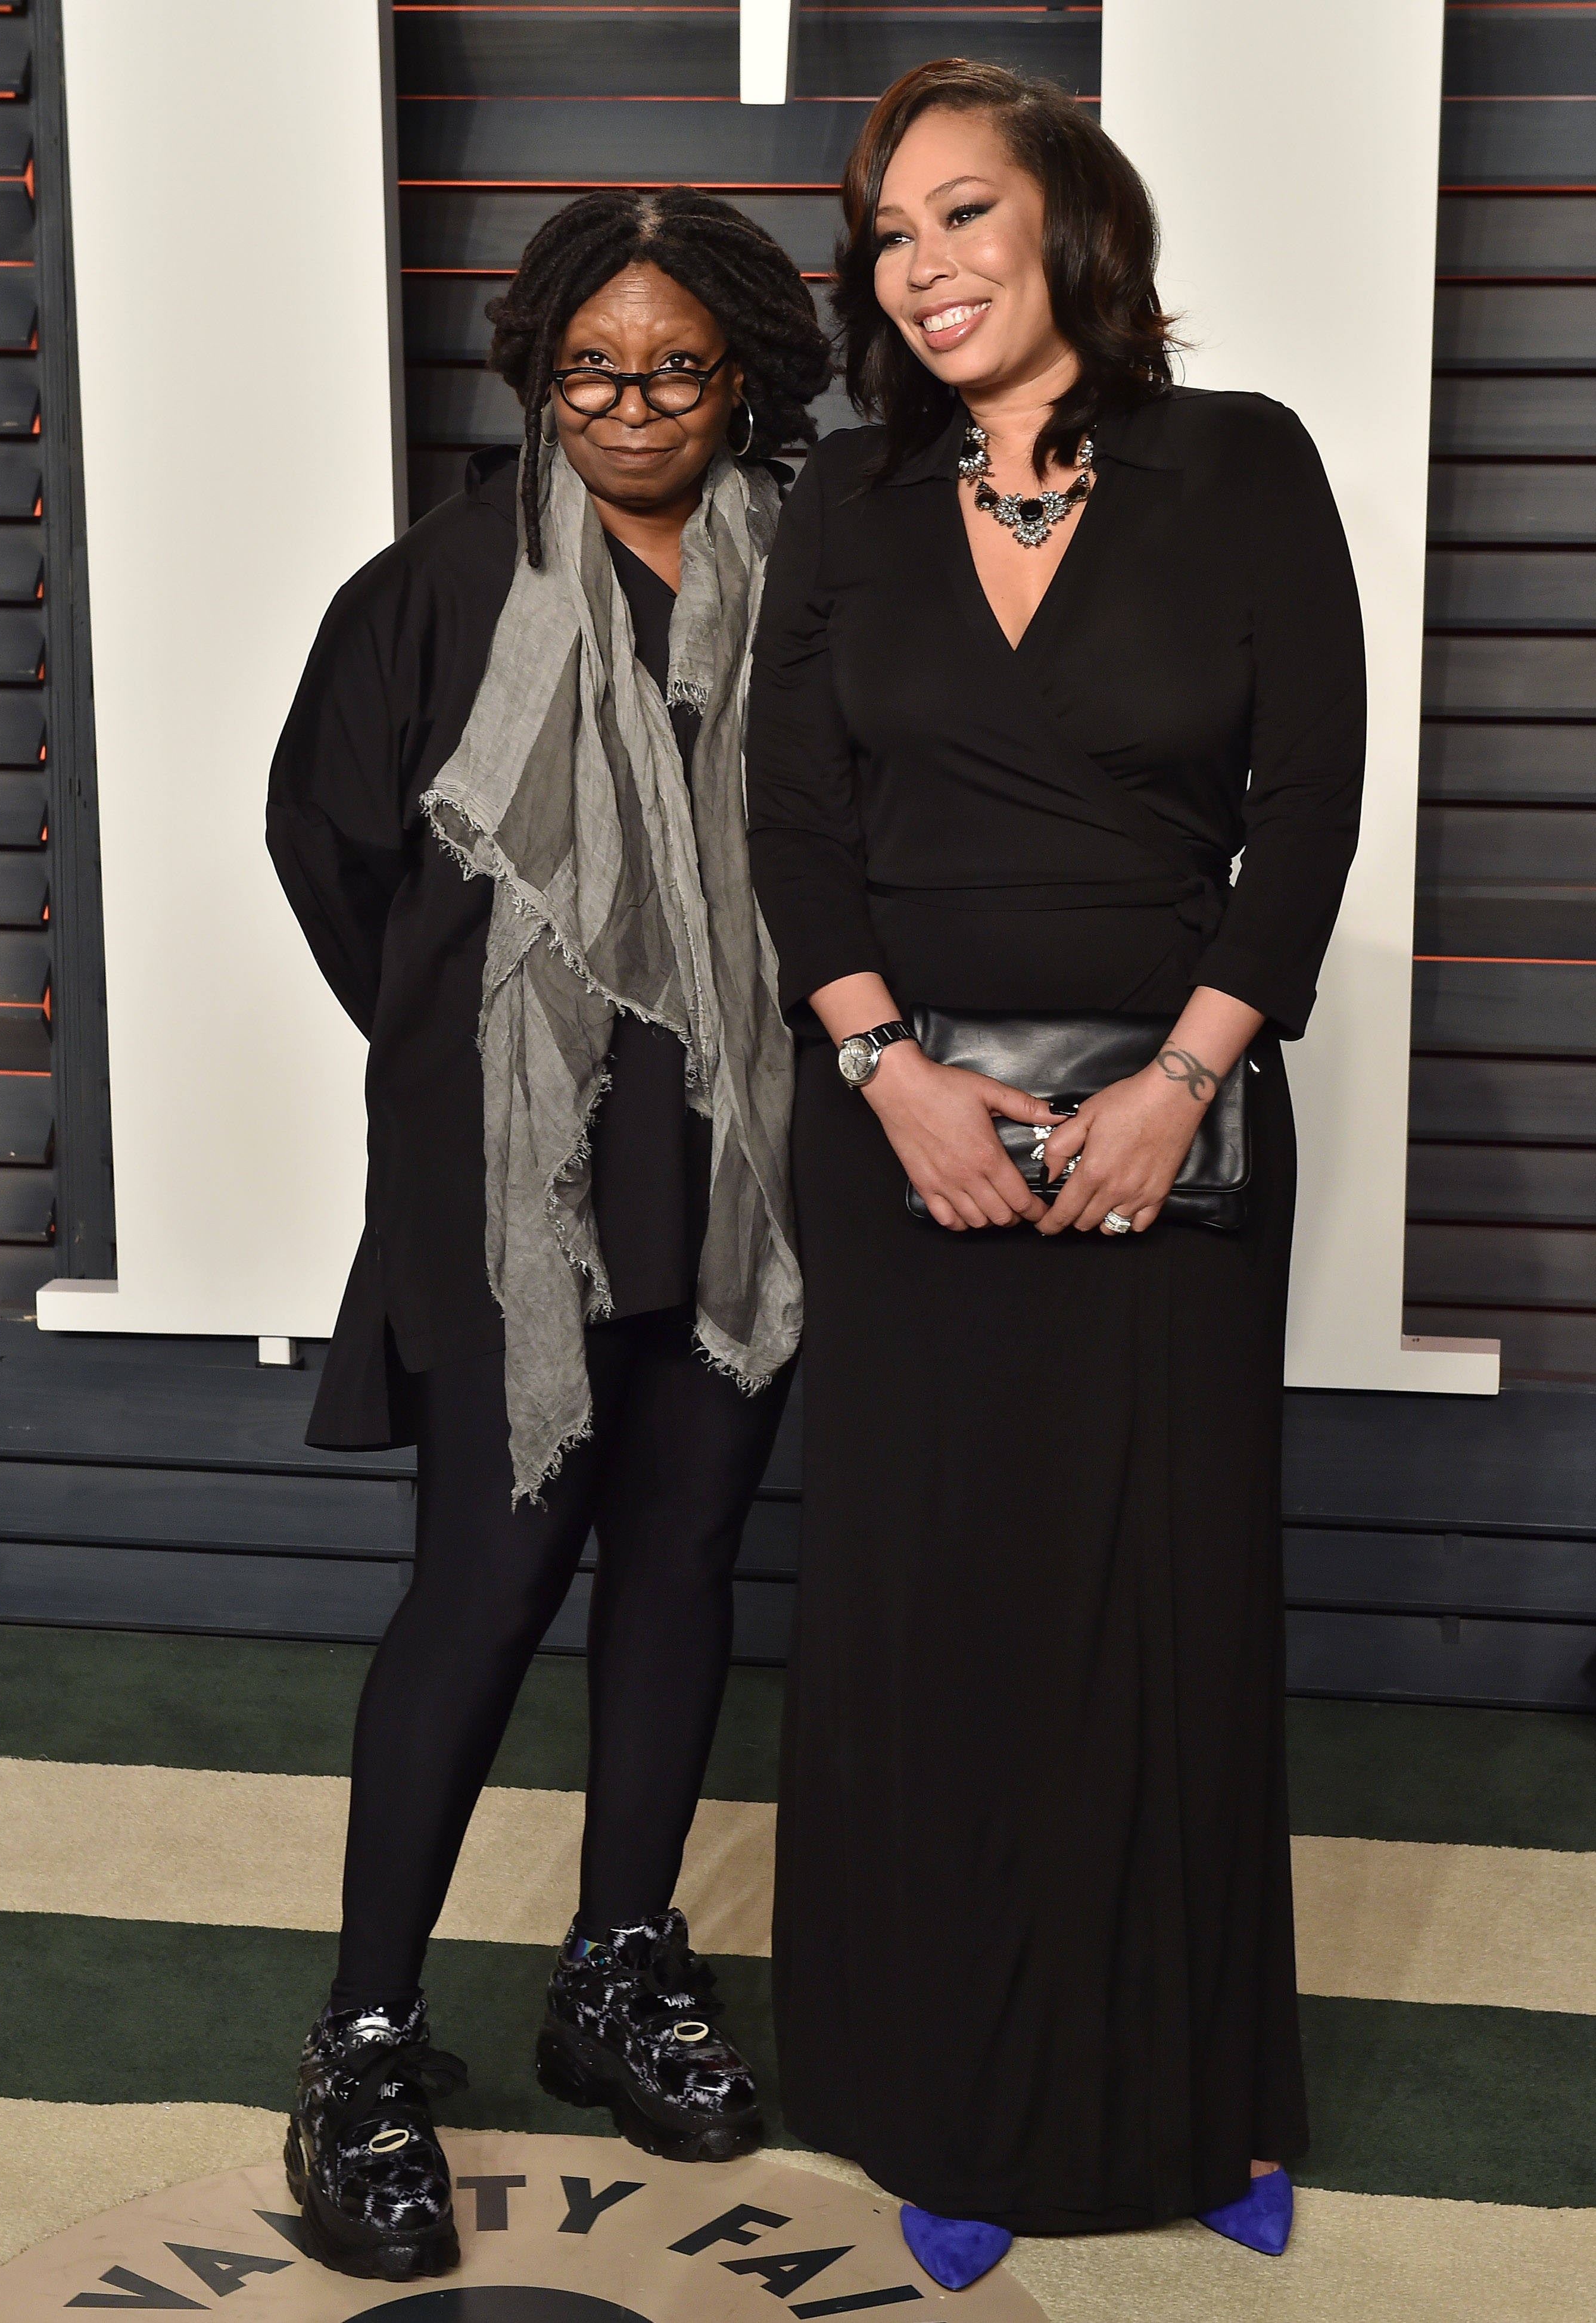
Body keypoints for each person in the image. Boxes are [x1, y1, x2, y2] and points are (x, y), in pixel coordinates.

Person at [746, 61, 1364, 2288]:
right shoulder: (847, 502)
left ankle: (1198, 2098)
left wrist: (1185, 1081)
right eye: (884, 234)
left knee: (1166, 1610)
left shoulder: (1244, 463)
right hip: (904, 1128)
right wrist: (892, 1074)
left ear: (1072, 223)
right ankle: (947, 2095)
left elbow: (1304, 805)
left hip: (1167, 1134)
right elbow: (795, 825)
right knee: (948, 1611)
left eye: (957, 214)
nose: (915, 265)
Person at [266, 185, 829, 2284]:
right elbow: (328, 846)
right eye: (590, 368)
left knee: (683, 1564)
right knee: (481, 1596)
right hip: (520, 1193)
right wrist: (480, 1070)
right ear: (534, 369)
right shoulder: (427, 591)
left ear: (746, 371)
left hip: (751, 1171)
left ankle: (615, 1967)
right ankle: (367, 2036)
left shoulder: (819, 581)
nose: (632, 406)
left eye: (678, 368)